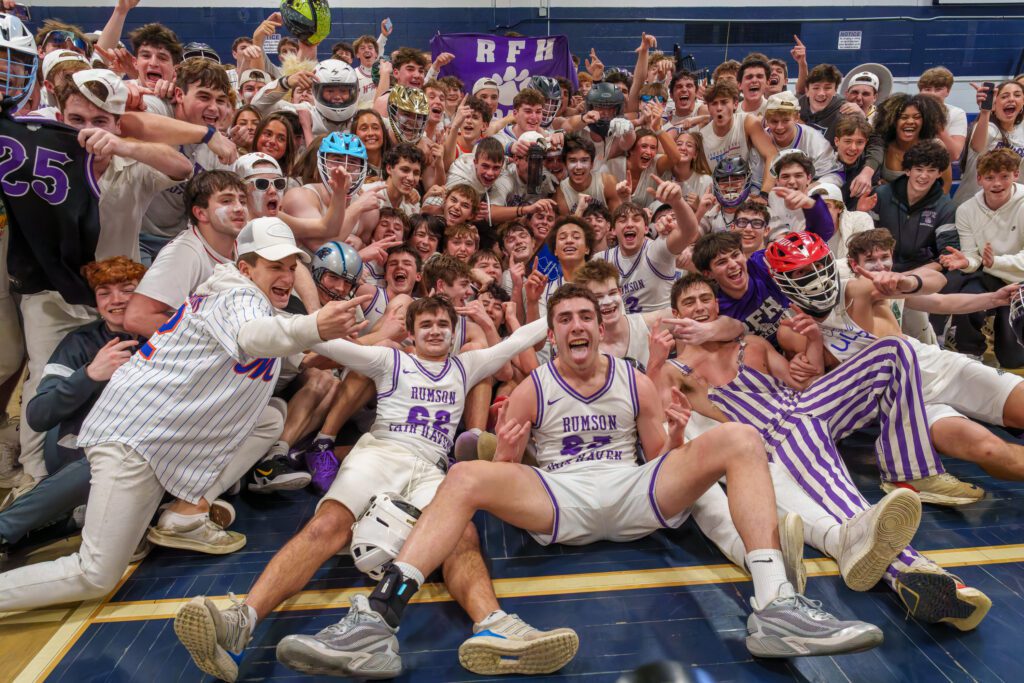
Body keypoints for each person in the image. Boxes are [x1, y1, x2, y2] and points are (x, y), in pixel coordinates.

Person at [277, 284, 886, 678]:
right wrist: (506, 457)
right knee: (463, 475)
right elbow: (508, 477)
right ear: (554, 332)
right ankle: (378, 619)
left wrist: (677, 438)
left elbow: (659, 460)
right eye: (564, 318)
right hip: (561, 496)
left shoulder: (635, 380)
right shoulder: (532, 387)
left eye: (585, 317)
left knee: (740, 438)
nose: (576, 326)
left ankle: (776, 606)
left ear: (599, 326)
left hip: (633, 489)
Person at [173, 297, 575, 681]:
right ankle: (241, 622)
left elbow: (516, 341)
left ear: (454, 333)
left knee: (464, 536)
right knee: (327, 526)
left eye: (443, 324)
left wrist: (562, 311)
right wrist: (297, 320)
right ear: (411, 334)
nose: (435, 330)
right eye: (426, 325)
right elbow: (327, 344)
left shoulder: (466, 365)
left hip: (432, 468)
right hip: (381, 452)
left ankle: (494, 625)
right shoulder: (390, 359)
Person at [0, 218, 366, 612]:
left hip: (152, 441)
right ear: (246, 268)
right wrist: (316, 324)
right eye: (275, 266)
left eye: (291, 267)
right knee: (95, 573)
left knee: (267, 418)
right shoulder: (237, 297)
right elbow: (254, 336)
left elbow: (292, 342)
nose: (287, 276)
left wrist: (384, 343)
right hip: (131, 442)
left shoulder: (252, 303)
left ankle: (184, 512)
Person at [656, 272, 989, 631]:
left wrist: (814, 340)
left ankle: (908, 472)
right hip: (777, 435)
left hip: (808, 405)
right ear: (676, 313)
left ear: (716, 304)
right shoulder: (675, 371)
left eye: (705, 298)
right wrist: (656, 360)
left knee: (895, 350)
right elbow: (660, 413)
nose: (699, 307)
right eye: (689, 302)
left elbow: (802, 380)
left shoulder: (750, 342)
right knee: (848, 505)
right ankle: (915, 573)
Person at [0, 258, 145, 551]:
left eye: (127, 290)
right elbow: (38, 414)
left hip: (146, 446)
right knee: (111, 459)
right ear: (96, 303)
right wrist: (89, 374)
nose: (116, 300)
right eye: (104, 293)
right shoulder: (80, 343)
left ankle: (81, 518)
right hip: (79, 449)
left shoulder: (166, 335)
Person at [941, 147, 1024, 367]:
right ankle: (968, 350)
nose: (997, 184)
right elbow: (972, 256)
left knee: (1013, 359)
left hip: (1019, 279)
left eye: (1004, 176)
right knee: (968, 292)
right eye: (989, 178)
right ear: (979, 179)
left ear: (1016, 175)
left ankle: (998, 329)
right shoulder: (966, 210)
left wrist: (995, 262)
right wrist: (967, 261)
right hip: (988, 274)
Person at [599, 178, 699, 313]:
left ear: (646, 228)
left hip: (661, 325)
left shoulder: (657, 250)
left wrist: (677, 202)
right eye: (622, 220)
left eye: (636, 220)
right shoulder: (602, 260)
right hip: (624, 325)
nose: (629, 224)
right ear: (613, 230)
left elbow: (689, 232)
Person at [872, 140, 956, 272]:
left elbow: (948, 255)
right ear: (907, 171)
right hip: (880, 266)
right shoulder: (880, 195)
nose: (924, 176)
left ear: (939, 173)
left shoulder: (946, 207)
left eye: (931, 170)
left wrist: (909, 276)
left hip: (921, 271)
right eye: (919, 169)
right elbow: (867, 239)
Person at [954, 79, 1024, 207]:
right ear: (994, 104)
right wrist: (985, 111)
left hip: (1005, 209)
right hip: (970, 205)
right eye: (1004, 96)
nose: (1011, 99)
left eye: (1017, 95)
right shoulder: (988, 128)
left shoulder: (1021, 134)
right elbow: (977, 146)